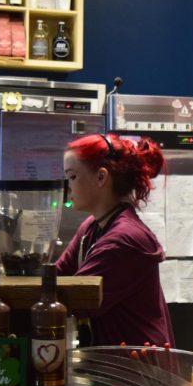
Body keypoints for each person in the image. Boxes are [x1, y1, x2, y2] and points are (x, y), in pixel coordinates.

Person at [56, 133, 174, 347]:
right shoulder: (91, 228)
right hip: (117, 362)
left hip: (137, 368)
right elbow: (59, 274)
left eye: (72, 177)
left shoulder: (123, 240)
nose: (68, 187)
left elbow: (74, 298)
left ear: (101, 177)